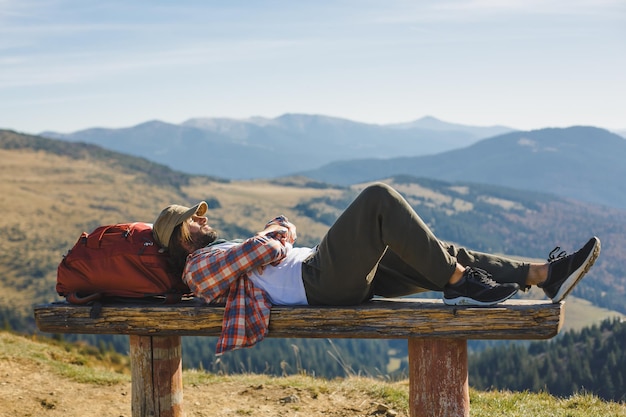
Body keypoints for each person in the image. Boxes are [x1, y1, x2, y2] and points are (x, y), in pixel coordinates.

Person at [153, 182, 600, 354]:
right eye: (194, 219)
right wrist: (274, 234)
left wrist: (276, 233)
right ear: (179, 237)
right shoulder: (197, 267)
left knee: (439, 251)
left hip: (328, 273)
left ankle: (543, 275)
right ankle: (460, 284)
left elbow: (280, 229)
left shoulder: (215, 251)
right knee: (377, 199)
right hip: (318, 281)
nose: (203, 220)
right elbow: (265, 247)